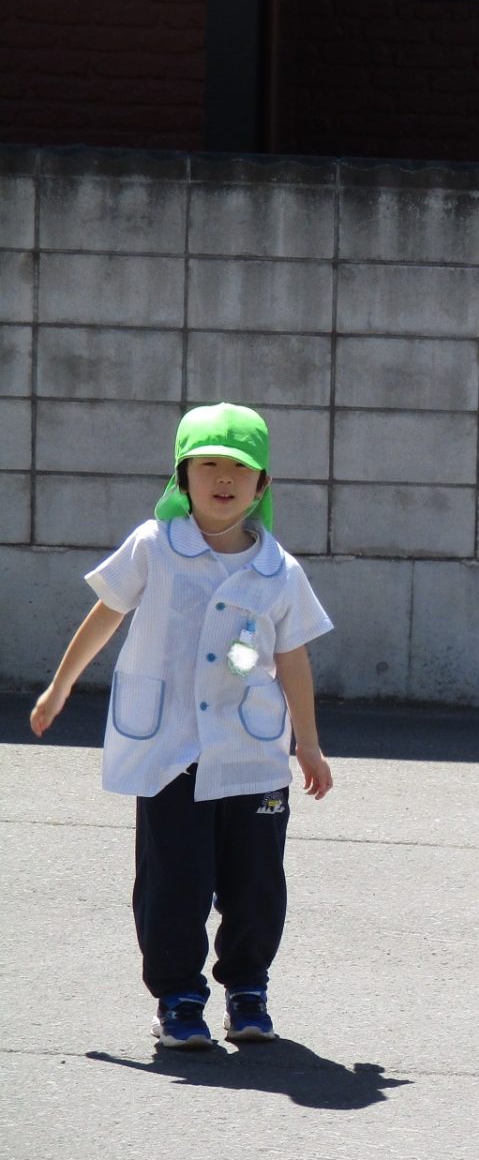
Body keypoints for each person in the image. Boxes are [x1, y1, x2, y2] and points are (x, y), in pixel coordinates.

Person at [29, 402, 334, 1048]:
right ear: (182, 477)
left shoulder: (280, 570)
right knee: (174, 881)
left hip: (252, 754)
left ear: (262, 485)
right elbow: (107, 612)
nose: (224, 478)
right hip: (170, 750)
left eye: (240, 468)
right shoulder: (154, 546)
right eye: (208, 465)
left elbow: (292, 657)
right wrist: (61, 684)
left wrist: (307, 743)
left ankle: (247, 990)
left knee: (256, 884)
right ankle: (178, 998)